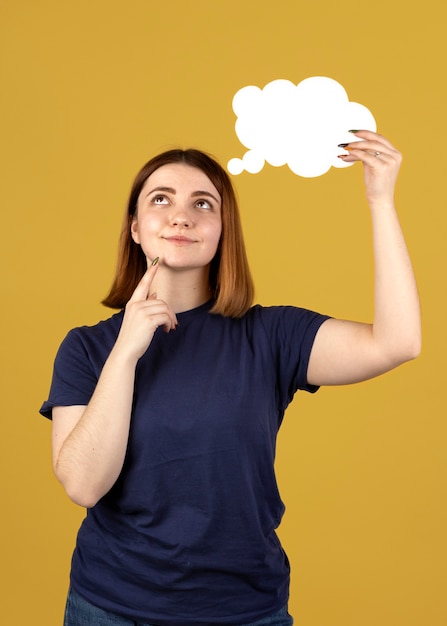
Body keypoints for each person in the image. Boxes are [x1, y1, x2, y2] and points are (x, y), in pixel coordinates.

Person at [40, 130, 421, 626]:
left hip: (245, 610)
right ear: (135, 227)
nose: (181, 215)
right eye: (161, 199)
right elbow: (84, 485)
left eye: (203, 204)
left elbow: (398, 343)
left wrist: (381, 201)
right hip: (111, 609)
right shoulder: (87, 348)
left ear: (223, 230)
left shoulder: (270, 335)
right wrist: (126, 352)